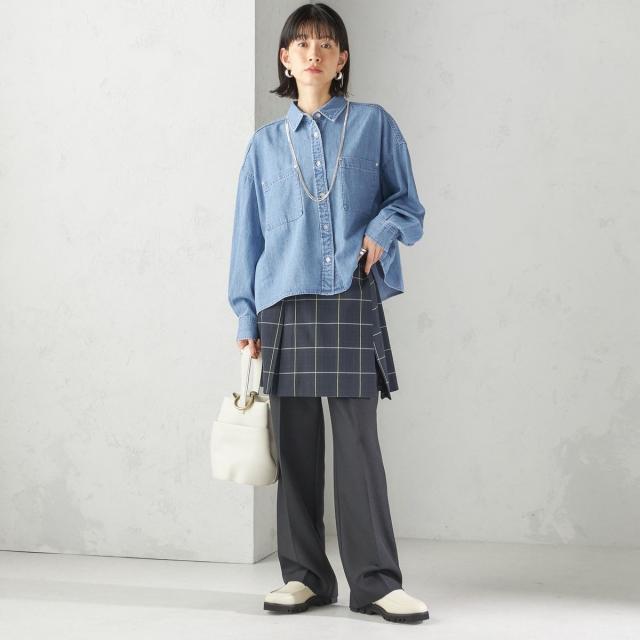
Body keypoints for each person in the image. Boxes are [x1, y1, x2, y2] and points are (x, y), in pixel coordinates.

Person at [227, 3, 429, 624]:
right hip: (283, 303)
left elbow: (409, 206)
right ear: (284, 59)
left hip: (348, 294)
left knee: (358, 445)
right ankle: (304, 576)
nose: (313, 53)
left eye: (326, 43)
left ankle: (376, 582)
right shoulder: (264, 146)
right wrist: (246, 319)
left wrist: (381, 231)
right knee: (294, 447)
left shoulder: (373, 125)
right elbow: (246, 238)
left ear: (342, 59)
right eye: (301, 43)